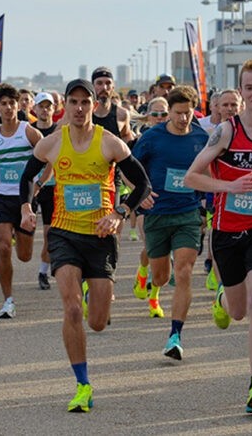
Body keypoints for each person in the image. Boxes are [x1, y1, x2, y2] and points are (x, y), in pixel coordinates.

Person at [18, 78, 152, 413]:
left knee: (97, 321)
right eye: (74, 102)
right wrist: (26, 206)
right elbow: (27, 177)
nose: (79, 109)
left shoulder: (109, 143)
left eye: (85, 103)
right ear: (67, 105)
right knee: (72, 307)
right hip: (64, 233)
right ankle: (82, 384)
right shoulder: (52, 143)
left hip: (101, 237)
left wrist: (120, 212)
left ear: (94, 105)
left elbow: (142, 184)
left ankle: (98, 296)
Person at [184, 59, 252, 415]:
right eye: (249, 88)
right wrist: (228, 186)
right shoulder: (226, 132)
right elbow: (192, 177)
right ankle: (221, 296)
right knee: (237, 311)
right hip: (227, 230)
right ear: (241, 91)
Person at [133, 86, 209, 358]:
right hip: (157, 213)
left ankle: (175, 335)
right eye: (178, 114)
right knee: (161, 276)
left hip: (187, 213)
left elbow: (210, 169)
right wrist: (139, 196)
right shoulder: (152, 137)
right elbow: (128, 169)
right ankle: (147, 279)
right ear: (169, 113)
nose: (183, 119)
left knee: (185, 271)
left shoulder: (202, 137)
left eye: (188, 113)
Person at [0, 83, 43, 319]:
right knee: (2, 246)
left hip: (25, 199)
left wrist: (40, 183)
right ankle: (8, 300)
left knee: (24, 255)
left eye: (12, 103)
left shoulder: (29, 132)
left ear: (18, 105)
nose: (8, 107)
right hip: (1, 197)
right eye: (3, 104)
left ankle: (19, 237)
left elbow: (50, 158)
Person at [130, 97, 170, 308]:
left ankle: (154, 296)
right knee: (153, 249)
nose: (160, 118)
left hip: (171, 202)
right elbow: (128, 172)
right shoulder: (142, 141)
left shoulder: (178, 137)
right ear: (147, 117)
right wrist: (140, 195)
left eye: (163, 114)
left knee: (163, 253)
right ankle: (144, 273)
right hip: (147, 202)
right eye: (155, 114)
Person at [31, 92, 58, 290]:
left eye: (49, 106)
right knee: (24, 238)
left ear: (54, 109)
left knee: (50, 234)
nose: (45, 109)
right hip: (29, 188)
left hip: (53, 187)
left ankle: (43, 271)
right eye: (41, 106)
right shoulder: (28, 131)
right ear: (35, 109)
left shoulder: (59, 131)